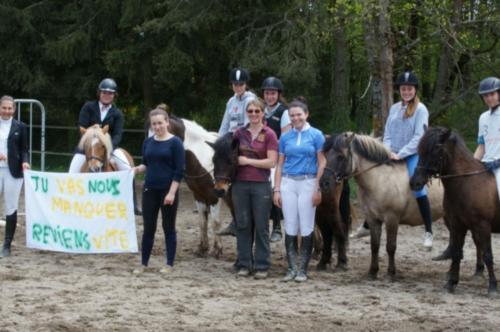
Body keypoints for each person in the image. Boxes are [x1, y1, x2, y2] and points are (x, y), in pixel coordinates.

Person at [68, 78, 141, 215]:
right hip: (87, 147)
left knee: (128, 170)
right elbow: (81, 126)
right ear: (99, 93)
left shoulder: (117, 113)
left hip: (108, 148)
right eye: (104, 92)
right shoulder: (88, 107)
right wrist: (92, 130)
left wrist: (109, 147)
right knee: (72, 173)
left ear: (114, 95)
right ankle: (71, 202)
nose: (107, 95)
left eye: (110, 93)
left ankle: (133, 203)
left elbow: (118, 134)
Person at [273, 97, 325, 282]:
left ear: (306, 114)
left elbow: (322, 162)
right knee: (290, 225)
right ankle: (291, 268)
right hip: (288, 182)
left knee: (306, 225)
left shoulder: (317, 135)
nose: (295, 118)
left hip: (308, 181)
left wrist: (317, 187)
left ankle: (303, 269)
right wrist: (277, 189)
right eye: (292, 115)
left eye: (298, 115)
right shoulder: (285, 137)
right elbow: (280, 164)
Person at [382, 71, 433, 249]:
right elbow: (387, 133)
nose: (406, 92)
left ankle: (428, 231)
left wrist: (400, 154)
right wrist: (387, 150)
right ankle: (367, 223)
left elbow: (419, 136)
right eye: (403, 89)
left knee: (417, 187)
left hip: (412, 154)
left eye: (409, 89)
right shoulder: (394, 108)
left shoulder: (421, 109)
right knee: (376, 180)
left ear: (415, 90)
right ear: (400, 90)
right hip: (392, 153)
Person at [132, 108, 185, 274]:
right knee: (148, 227)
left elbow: (179, 170)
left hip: (167, 191)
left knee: (168, 227)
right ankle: (144, 263)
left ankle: (169, 263)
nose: (157, 127)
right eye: (154, 124)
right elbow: (146, 163)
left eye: (160, 123)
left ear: (167, 122)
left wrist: (171, 192)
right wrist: (136, 169)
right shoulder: (147, 142)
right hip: (150, 190)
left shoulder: (176, 143)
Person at [232, 99, 278, 279]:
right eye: (250, 111)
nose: (253, 114)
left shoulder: (270, 134)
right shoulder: (239, 133)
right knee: (242, 224)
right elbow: (231, 156)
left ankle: (262, 265)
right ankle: (244, 263)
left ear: (262, 113)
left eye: (257, 111)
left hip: (261, 184)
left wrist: (248, 161)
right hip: (240, 184)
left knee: (261, 226)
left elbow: (272, 161)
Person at [217, 67, 257, 236]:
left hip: (245, 141)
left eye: (240, 84)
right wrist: (219, 143)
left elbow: (249, 125)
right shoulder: (231, 102)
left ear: (245, 84)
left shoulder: (251, 100)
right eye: (235, 84)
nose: (238, 87)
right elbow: (225, 124)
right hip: (229, 142)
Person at [0, 96, 30, 257]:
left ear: (14, 110)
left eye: (9, 108)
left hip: (13, 171)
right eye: (4, 108)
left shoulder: (20, 126)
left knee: (11, 206)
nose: (6, 111)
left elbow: (24, 149)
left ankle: (7, 245)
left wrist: (25, 162)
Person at [261, 76, 291, 242]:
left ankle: (277, 226)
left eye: (272, 93)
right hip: (261, 155)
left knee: (273, 186)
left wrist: (269, 147)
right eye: (267, 93)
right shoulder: (261, 110)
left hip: (277, 156)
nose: (269, 96)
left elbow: (285, 139)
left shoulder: (284, 112)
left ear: (278, 94)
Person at [474, 76, 500, 196]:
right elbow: (481, 146)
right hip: (485, 165)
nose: (489, 98)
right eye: (485, 95)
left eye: (492, 94)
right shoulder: (483, 117)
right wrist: (472, 163)